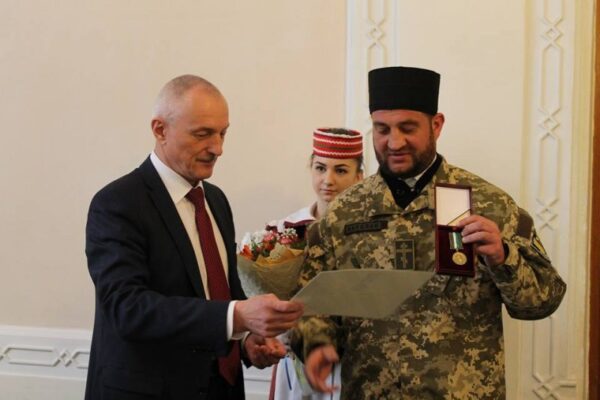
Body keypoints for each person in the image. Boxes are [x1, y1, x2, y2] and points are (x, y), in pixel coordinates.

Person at [291, 66, 567, 399]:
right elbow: (311, 305)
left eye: (408, 128)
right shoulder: (343, 213)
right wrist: (316, 344)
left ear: (436, 125)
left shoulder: (490, 204)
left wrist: (503, 256)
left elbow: (543, 301)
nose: (394, 142)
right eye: (382, 129)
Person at [85, 74, 303, 400]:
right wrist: (237, 316)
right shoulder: (117, 204)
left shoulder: (216, 201)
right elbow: (128, 308)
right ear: (160, 130)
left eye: (222, 133)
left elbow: (220, 292)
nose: (218, 148)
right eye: (203, 134)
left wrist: (245, 340)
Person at [267, 128, 364, 400]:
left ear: (359, 176)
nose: (328, 180)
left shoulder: (369, 234)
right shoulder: (285, 230)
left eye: (341, 170)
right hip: (295, 360)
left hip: (351, 363)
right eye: (320, 168)